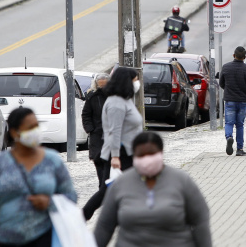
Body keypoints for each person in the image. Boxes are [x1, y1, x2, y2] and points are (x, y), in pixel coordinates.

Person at [0, 107, 77, 247]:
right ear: (14, 132)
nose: (35, 131)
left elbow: (71, 196)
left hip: (44, 236)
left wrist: (49, 202)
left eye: (37, 126)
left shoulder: (52, 161)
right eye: (30, 128)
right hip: (5, 238)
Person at [95, 132, 212, 247]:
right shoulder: (121, 184)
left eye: (151, 154)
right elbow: (104, 226)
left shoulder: (182, 181)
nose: (147, 159)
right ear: (134, 156)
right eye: (141, 155)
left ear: (161, 153)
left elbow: (200, 220)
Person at [83, 67, 142, 219]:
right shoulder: (116, 103)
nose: (137, 83)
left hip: (127, 152)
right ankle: (83, 215)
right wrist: (115, 156)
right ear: (126, 82)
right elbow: (115, 131)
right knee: (108, 190)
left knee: (112, 189)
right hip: (120, 153)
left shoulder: (124, 100)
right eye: (135, 80)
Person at [81, 73, 109, 220]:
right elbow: (85, 114)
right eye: (101, 84)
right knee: (98, 160)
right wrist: (90, 129)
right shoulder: (92, 97)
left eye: (105, 84)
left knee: (108, 163)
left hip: (110, 135)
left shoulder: (114, 96)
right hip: (97, 136)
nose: (103, 87)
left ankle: (103, 191)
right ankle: (102, 189)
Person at [220, 46, 246, 156]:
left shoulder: (225, 67)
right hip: (243, 100)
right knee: (240, 125)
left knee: (229, 122)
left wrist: (227, 89)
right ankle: (240, 149)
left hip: (230, 99)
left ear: (233, 55)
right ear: (245, 57)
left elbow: (221, 83)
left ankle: (229, 137)